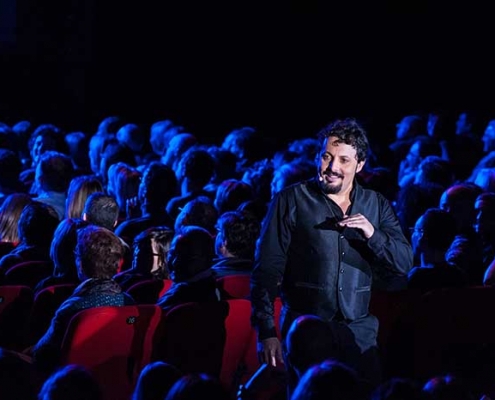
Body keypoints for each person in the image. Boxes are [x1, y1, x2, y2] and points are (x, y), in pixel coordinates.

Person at [250, 118, 413, 386]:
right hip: (306, 333)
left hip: (359, 335)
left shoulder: (377, 204)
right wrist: (266, 331)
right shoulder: (290, 200)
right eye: (327, 157)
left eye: (344, 160)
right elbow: (266, 269)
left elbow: (405, 263)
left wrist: (372, 234)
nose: (332, 167)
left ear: (360, 165)